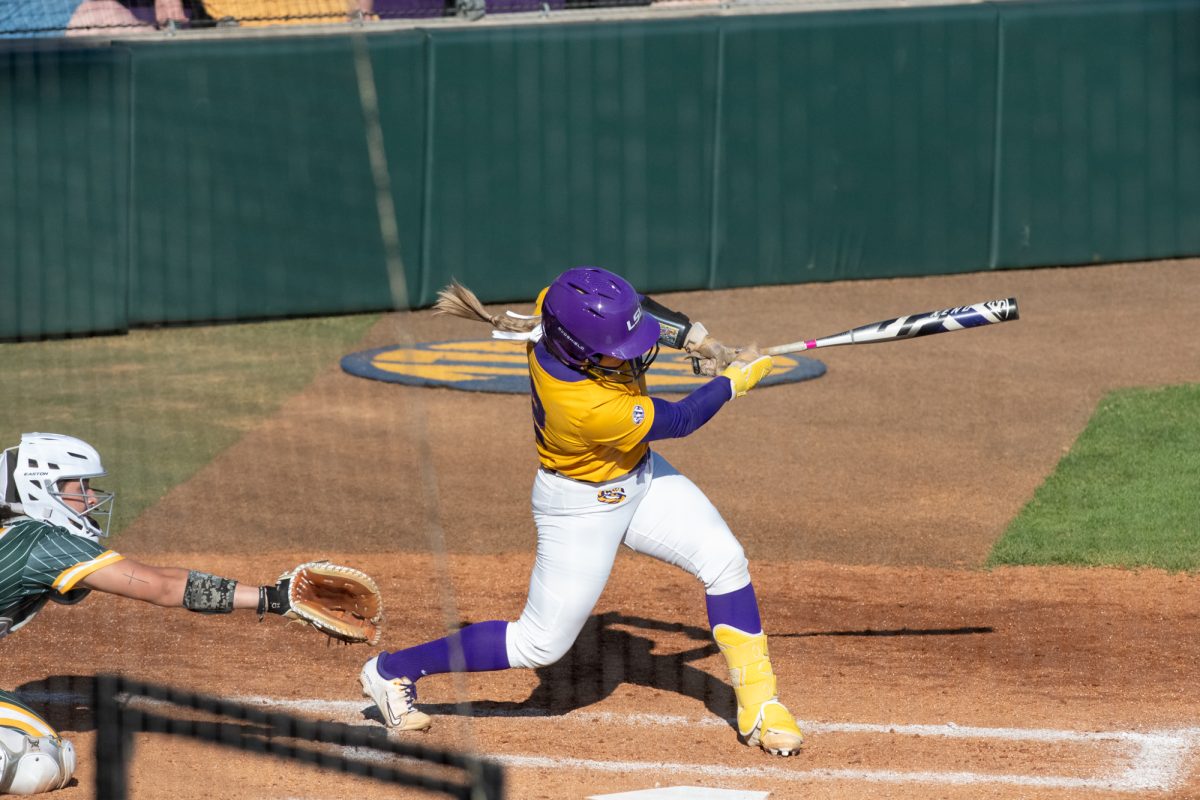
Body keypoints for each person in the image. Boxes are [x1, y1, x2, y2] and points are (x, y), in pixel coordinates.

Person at [359, 266, 805, 757]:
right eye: (616, 354)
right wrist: (734, 380)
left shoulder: (560, 305)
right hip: (581, 507)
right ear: (581, 352)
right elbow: (681, 418)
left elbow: (638, 312)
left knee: (725, 560)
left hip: (641, 476)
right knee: (538, 646)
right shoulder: (586, 406)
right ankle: (392, 670)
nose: (630, 358)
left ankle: (761, 705)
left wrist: (702, 342)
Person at [0, 432, 315, 794]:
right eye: (79, 486)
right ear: (38, 488)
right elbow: (161, 585)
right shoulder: (41, 542)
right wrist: (270, 599)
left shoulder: (19, 536)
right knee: (41, 761)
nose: (90, 498)